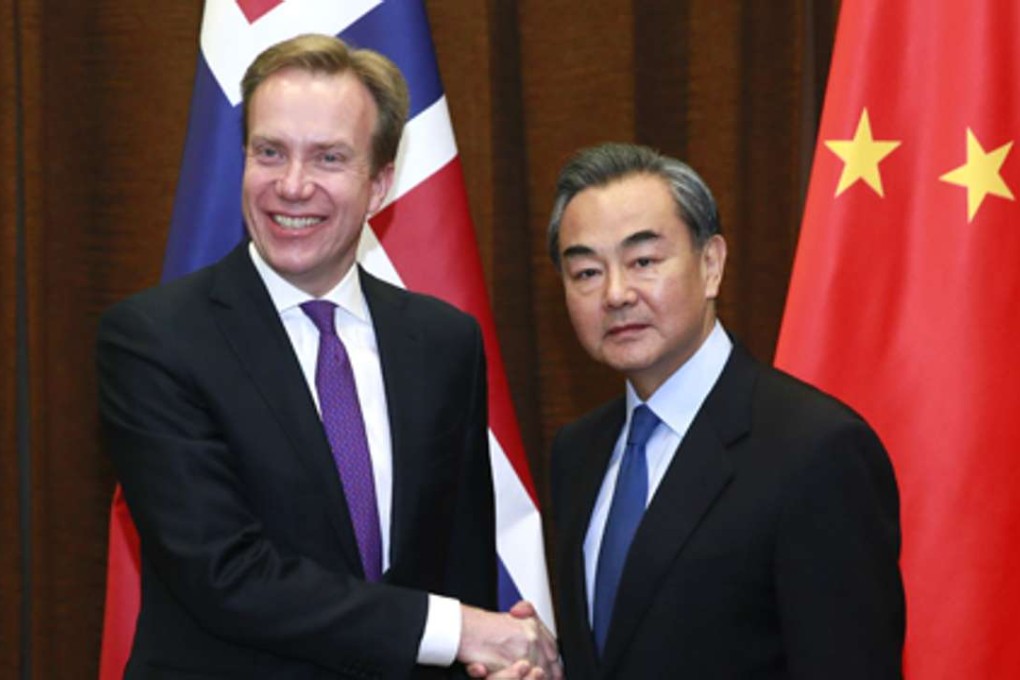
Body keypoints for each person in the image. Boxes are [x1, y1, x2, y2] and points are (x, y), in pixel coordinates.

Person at [97, 34, 558, 679]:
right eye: (270, 152)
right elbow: (224, 574)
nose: (292, 185)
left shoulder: (444, 343)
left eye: (329, 158)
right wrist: (458, 630)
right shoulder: (153, 341)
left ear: (380, 185)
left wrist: (494, 660)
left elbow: (461, 567)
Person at [543, 143, 905, 678]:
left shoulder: (815, 450)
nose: (616, 293)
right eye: (587, 273)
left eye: (643, 262)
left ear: (710, 264)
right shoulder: (576, 453)